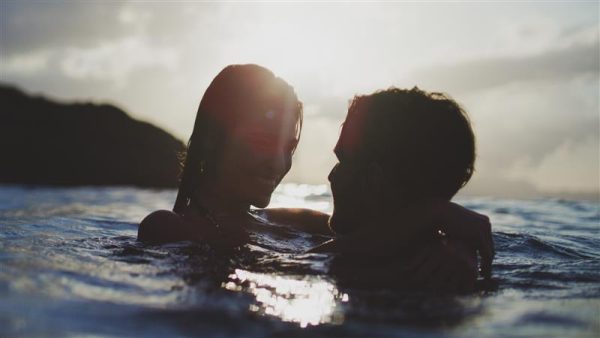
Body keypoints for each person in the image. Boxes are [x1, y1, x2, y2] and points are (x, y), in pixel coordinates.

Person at [138, 64, 493, 286]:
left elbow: (371, 232)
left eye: (288, 149)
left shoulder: (291, 223)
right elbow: (321, 260)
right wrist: (434, 214)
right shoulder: (167, 228)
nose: (278, 164)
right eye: (263, 142)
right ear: (214, 139)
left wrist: (459, 247)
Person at [310, 87, 494, 291]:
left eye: (343, 161)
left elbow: (296, 265)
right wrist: (434, 215)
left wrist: (434, 214)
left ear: (374, 178)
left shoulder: (391, 275)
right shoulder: (438, 255)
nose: (331, 175)